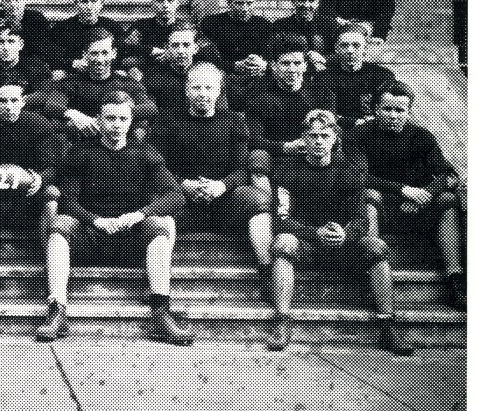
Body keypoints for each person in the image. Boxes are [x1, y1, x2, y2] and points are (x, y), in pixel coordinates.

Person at [36, 91, 193, 345]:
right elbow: (67, 200)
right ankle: (57, 309)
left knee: (159, 227)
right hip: (90, 236)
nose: (117, 125)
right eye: (110, 118)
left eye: (122, 119)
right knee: (60, 226)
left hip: (130, 237)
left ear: (131, 121)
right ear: (98, 120)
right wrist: (95, 220)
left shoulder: (145, 153)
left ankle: (161, 312)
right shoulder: (82, 152)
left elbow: (176, 196)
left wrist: (140, 214)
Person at [265, 110, 412, 355]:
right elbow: (281, 220)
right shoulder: (286, 170)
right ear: (303, 138)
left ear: (335, 138)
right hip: (307, 243)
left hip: (344, 245)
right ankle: (282, 320)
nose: (319, 141)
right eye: (313, 136)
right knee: (282, 242)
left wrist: (345, 233)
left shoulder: (349, 171)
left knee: (376, 247)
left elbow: (361, 220)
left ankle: (388, 324)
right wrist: (314, 233)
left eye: (325, 135)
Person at [149, 63, 274, 298]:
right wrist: (184, 184)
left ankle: (267, 273)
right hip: (183, 201)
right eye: (197, 87)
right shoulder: (167, 120)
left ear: (218, 91)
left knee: (256, 201)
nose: (203, 93)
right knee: (159, 212)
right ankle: (161, 291)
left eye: (209, 88)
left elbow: (241, 171)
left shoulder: (235, 121)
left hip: (224, 203)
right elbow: (158, 167)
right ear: (186, 90)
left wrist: (220, 186)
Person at [350, 81, 466, 311]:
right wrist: (403, 190)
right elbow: (359, 176)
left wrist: (426, 195)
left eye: (400, 110)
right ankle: (370, 265)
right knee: (368, 195)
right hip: (380, 207)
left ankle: (456, 280)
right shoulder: (359, 135)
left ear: (409, 111)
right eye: (387, 109)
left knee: (448, 200)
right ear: (375, 110)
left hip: (416, 207)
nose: (394, 115)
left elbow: (444, 174)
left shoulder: (422, 136)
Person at [0, 79, 64, 240]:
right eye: (3, 101)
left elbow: (52, 166)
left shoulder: (38, 124)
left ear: (23, 102)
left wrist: (40, 179)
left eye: (14, 100)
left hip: (27, 196)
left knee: (52, 193)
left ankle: (50, 248)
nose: (8, 106)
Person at [38, 28, 155, 137]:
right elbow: (51, 105)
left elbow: (150, 108)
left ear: (113, 53)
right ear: (85, 55)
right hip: (82, 140)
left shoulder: (126, 82)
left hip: (116, 140)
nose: (100, 60)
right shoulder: (71, 82)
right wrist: (72, 113)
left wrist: (112, 116)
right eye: (94, 53)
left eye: (105, 53)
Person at [245, 32, 336, 161]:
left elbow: (332, 133)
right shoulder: (259, 98)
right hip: (279, 158)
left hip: (315, 159)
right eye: (286, 63)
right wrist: (284, 147)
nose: (292, 70)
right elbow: (253, 139)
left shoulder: (322, 94)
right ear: (274, 66)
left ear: (305, 66)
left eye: (297, 63)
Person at [122, 0, 216, 74]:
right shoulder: (141, 26)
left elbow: (209, 51)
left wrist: (172, 54)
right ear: (152, 4)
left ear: (177, 2)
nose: (165, 5)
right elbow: (122, 47)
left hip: (180, 76)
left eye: (170, 0)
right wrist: (150, 50)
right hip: (149, 76)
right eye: (160, 1)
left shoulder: (187, 28)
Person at [319, 24, 395, 129]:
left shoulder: (382, 75)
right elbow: (326, 113)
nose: (350, 51)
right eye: (344, 45)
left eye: (356, 45)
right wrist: (354, 122)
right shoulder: (325, 76)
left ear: (365, 48)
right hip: (338, 130)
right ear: (336, 48)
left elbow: (389, 109)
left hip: (375, 129)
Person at [47, 0, 124, 78]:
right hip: (73, 77)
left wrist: (117, 69)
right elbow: (49, 54)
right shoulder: (62, 29)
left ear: (101, 3)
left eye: (93, 1)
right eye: (84, 1)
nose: (89, 6)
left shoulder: (112, 27)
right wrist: (71, 64)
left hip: (104, 78)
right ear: (76, 4)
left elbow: (123, 53)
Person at [142, 22, 225, 114]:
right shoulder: (154, 76)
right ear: (167, 48)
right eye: (175, 45)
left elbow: (221, 112)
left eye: (186, 45)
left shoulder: (208, 74)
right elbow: (152, 114)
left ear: (195, 48)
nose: (181, 51)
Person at [200, 0, 273, 77]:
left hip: (256, 83)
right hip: (222, 80)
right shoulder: (211, 23)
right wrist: (233, 66)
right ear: (228, 2)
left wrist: (263, 65)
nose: (245, 9)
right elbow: (202, 58)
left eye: (249, 3)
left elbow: (275, 57)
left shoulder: (264, 25)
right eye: (239, 3)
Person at [271, 0, 341, 71]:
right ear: (293, 1)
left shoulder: (330, 25)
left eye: (311, 0)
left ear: (318, 2)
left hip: (323, 79)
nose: (306, 5)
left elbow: (342, 54)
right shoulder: (280, 25)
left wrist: (324, 60)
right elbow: (272, 56)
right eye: (301, 0)